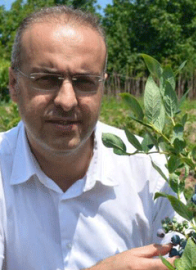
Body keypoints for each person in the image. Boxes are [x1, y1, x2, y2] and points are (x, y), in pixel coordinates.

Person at [0, 5, 178, 270]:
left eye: (84, 82)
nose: (67, 101)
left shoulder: (148, 169)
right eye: (47, 79)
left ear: (102, 87)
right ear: (14, 84)